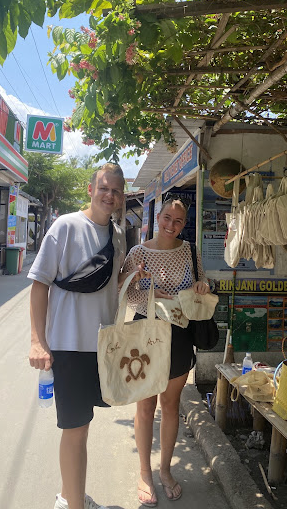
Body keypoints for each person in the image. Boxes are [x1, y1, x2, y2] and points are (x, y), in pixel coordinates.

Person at [28, 163, 139, 509]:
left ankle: (70, 497)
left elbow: (107, 284)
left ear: (121, 197)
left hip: (102, 346)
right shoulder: (65, 226)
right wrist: (37, 341)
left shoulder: (118, 235)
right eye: (104, 188)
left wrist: (129, 278)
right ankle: (74, 504)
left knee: (83, 426)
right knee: (75, 430)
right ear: (91, 189)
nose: (110, 195)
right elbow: (39, 283)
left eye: (116, 191)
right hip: (69, 345)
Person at [122, 194, 211, 507]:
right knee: (146, 407)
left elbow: (204, 283)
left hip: (180, 335)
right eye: (166, 218)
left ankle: (165, 470)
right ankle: (144, 473)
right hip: (146, 333)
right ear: (157, 218)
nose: (171, 225)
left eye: (178, 221)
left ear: (184, 224)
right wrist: (149, 292)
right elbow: (125, 290)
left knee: (170, 406)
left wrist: (202, 287)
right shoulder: (138, 252)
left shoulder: (190, 251)